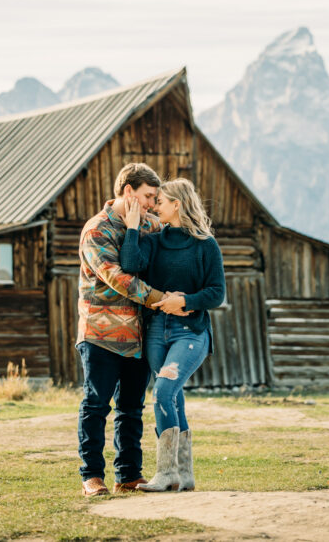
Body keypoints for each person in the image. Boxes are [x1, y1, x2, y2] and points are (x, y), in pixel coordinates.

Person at [120, 177, 226, 492]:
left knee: (163, 392)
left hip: (191, 333)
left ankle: (166, 473)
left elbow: (216, 293)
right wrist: (133, 228)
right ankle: (185, 473)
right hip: (156, 332)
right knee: (174, 397)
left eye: (161, 202)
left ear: (177, 204)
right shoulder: (154, 240)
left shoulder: (206, 244)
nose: (155, 206)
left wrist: (185, 301)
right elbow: (129, 264)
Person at [76, 162, 169, 497]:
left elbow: (171, 226)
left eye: (155, 198)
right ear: (128, 191)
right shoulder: (96, 230)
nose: (152, 204)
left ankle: (128, 474)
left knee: (131, 408)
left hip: (138, 335)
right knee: (97, 405)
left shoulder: (148, 223)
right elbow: (118, 278)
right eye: (148, 196)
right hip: (101, 334)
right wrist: (162, 299)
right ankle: (92, 476)